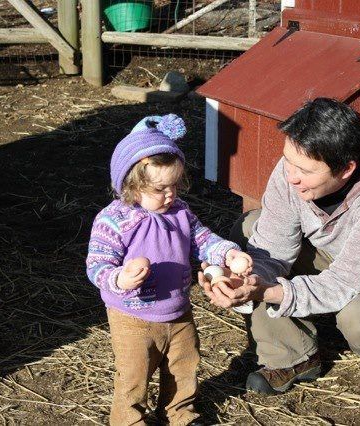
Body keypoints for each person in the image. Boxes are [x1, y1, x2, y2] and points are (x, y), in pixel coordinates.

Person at [199, 98, 360, 404]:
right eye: (288, 161)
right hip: (342, 250)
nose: (291, 176)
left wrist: (268, 292)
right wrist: (248, 279)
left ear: (346, 169)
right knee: (250, 234)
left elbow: (345, 280)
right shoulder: (299, 161)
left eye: (305, 170)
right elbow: (272, 244)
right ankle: (293, 355)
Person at [87, 113, 252, 425]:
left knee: (183, 365)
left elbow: (202, 239)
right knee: (134, 375)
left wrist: (229, 253)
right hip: (132, 315)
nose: (170, 195)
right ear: (130, 185)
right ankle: (129, 419)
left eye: (175, 185)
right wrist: (120, 278)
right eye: (160, 189)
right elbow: (97, 265)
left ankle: (179, 413)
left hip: (178, 310)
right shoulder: (114, 220)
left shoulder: (179, 212)